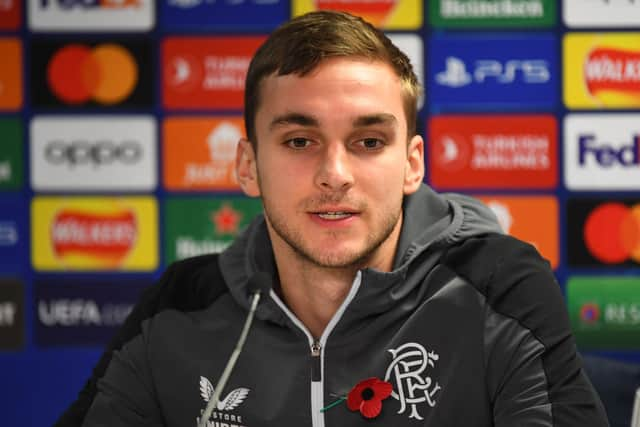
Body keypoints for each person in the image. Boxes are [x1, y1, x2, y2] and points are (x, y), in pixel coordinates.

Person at [59, 10, 608, 427]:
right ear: (248, 166)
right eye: (300, 140)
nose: (335, 173)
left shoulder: (499, 286)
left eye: (369, 141)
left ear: (412, 164)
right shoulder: (180, 304)